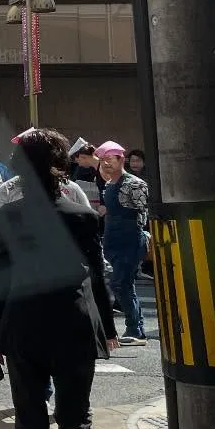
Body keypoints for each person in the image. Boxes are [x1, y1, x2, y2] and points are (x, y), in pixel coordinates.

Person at [0, 127, 119, 429]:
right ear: (61, 166)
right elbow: (97, 276)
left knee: (30, 420)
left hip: (23, 324)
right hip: (75, 322)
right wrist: (108, 328)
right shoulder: (83, 216)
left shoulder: (6, 217)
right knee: (76, 420)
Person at [96, 140, 149, 347]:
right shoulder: (109, 184)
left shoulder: (135, 183)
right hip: (112, 238)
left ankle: (135, 329)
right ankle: (136, 327)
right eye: (103, 160)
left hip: (130, 238)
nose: (106, 164)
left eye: (110, 159)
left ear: (121, 159)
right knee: (121, 284)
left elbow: (143, 212)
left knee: (121, 283)